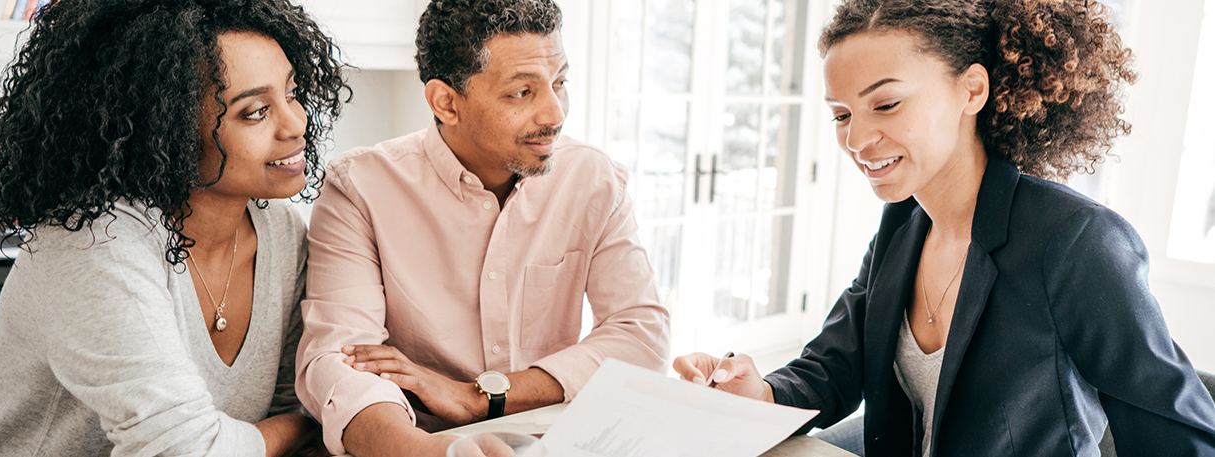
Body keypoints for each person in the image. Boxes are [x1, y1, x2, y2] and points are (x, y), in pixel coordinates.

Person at [674, 0, 1215, 455]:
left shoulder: (1075, 241)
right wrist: (762, 393)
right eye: (842, 115)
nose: (857, 141)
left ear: (972, 91)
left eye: (885, 104)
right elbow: (836, 361)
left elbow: (1182, 434)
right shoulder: (903, 224)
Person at [0, 0, 348, 455]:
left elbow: (287, 400)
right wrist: (306, 429)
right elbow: (184, 450)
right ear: (167, 129)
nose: (297, 123)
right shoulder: (94, 244)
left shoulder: (279, 230)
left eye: (292, 93)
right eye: (255, 111)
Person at [294, 0, 670, 455]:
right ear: (446, 102)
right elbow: (338, 363)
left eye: (559, 83)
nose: (555, 114)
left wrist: (483, 395)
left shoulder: (593, 179)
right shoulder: (360, 188)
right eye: (522, 93)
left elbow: (640, 332)